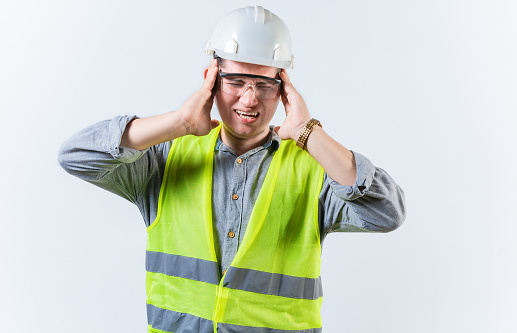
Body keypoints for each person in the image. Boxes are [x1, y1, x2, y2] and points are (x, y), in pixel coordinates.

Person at [59, 5, 405, 333]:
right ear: (212, 77)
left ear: (283, 88)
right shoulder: (165, 160)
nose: (250, 98)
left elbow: (387, 212)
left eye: (265, 84)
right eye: (236, 81)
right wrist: (178, 122)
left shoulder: (313, 170)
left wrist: (308, 133)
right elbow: (75, 155)